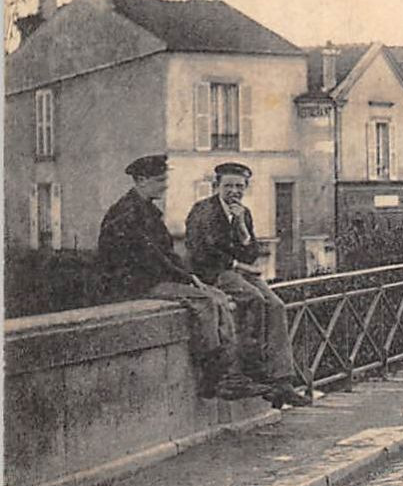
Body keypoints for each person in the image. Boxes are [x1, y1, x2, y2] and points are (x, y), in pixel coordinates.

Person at [98, 155, 267, 401]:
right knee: (206, 301)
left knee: (218, 297)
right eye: (159, 180)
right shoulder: (128, 213)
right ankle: (214, 374)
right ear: (141, 181)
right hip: (134, 283)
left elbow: (164, 254)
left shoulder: (144, 210)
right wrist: (189, 280)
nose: (165, 185)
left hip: (148, 277)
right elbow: (153, 258)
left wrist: (188, 277)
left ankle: (228, 375)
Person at [186, 163, 310, 408]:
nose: (234, 191)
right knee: (253, 298)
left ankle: (283, 380)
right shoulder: (203, 211)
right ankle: (253, 368)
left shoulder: (244, 212)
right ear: (217, 186)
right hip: (214, 272)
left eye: (239, 186)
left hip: (239, 271)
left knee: (276, 305)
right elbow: (201, 252)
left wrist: (242, 227)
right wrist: (239, 266)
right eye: (228, 186)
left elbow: (251, 252)